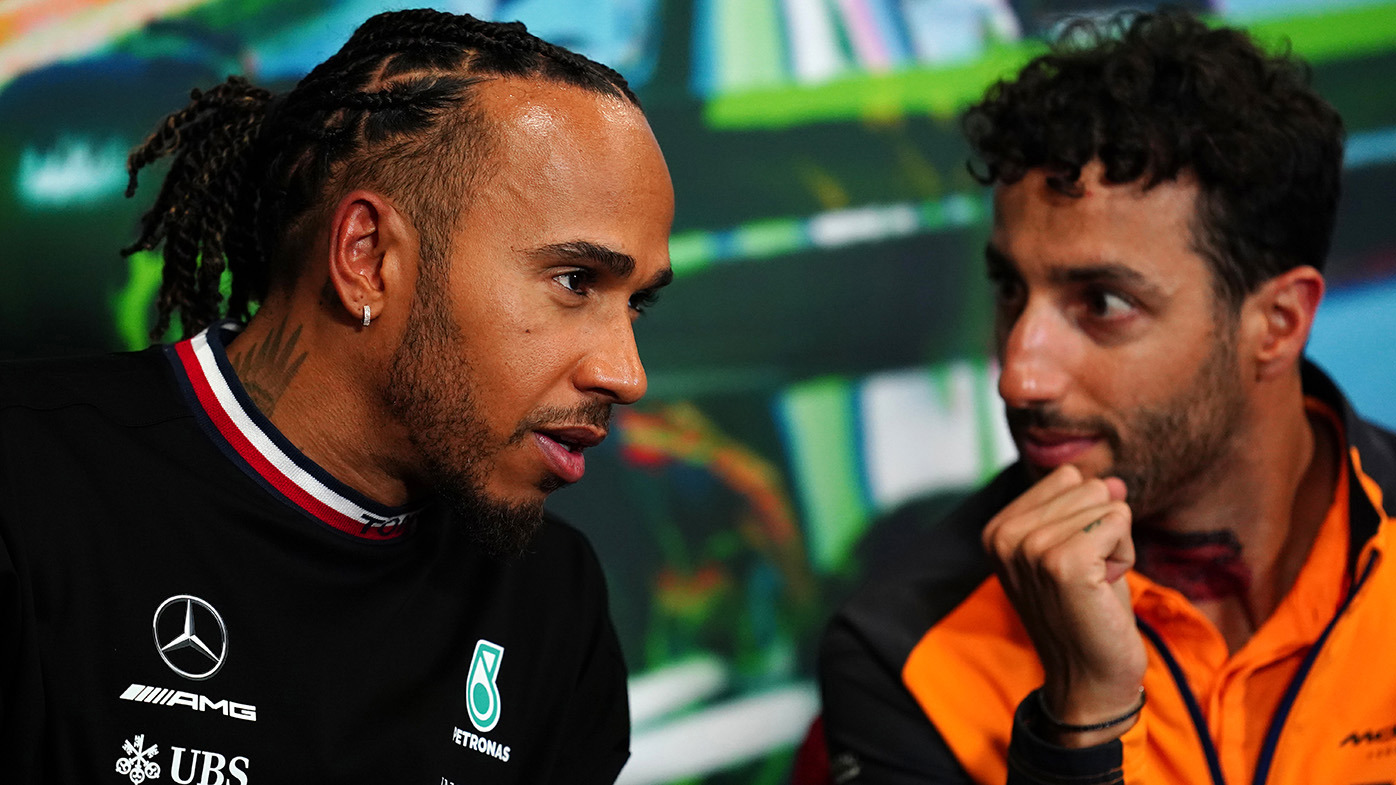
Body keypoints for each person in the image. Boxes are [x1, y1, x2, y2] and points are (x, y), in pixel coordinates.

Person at [0, 8, 673, 784]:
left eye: (636, 303)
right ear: (367, 257)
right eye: (575, 280)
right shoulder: (27, 484)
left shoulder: (555, 602)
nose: (627, 373)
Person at [818, 9, 1396, 785]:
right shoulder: (904, 647)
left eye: (1104, 303)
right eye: (1010, 289)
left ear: (1277, 323)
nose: (1018, 374)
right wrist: (1079, 724)